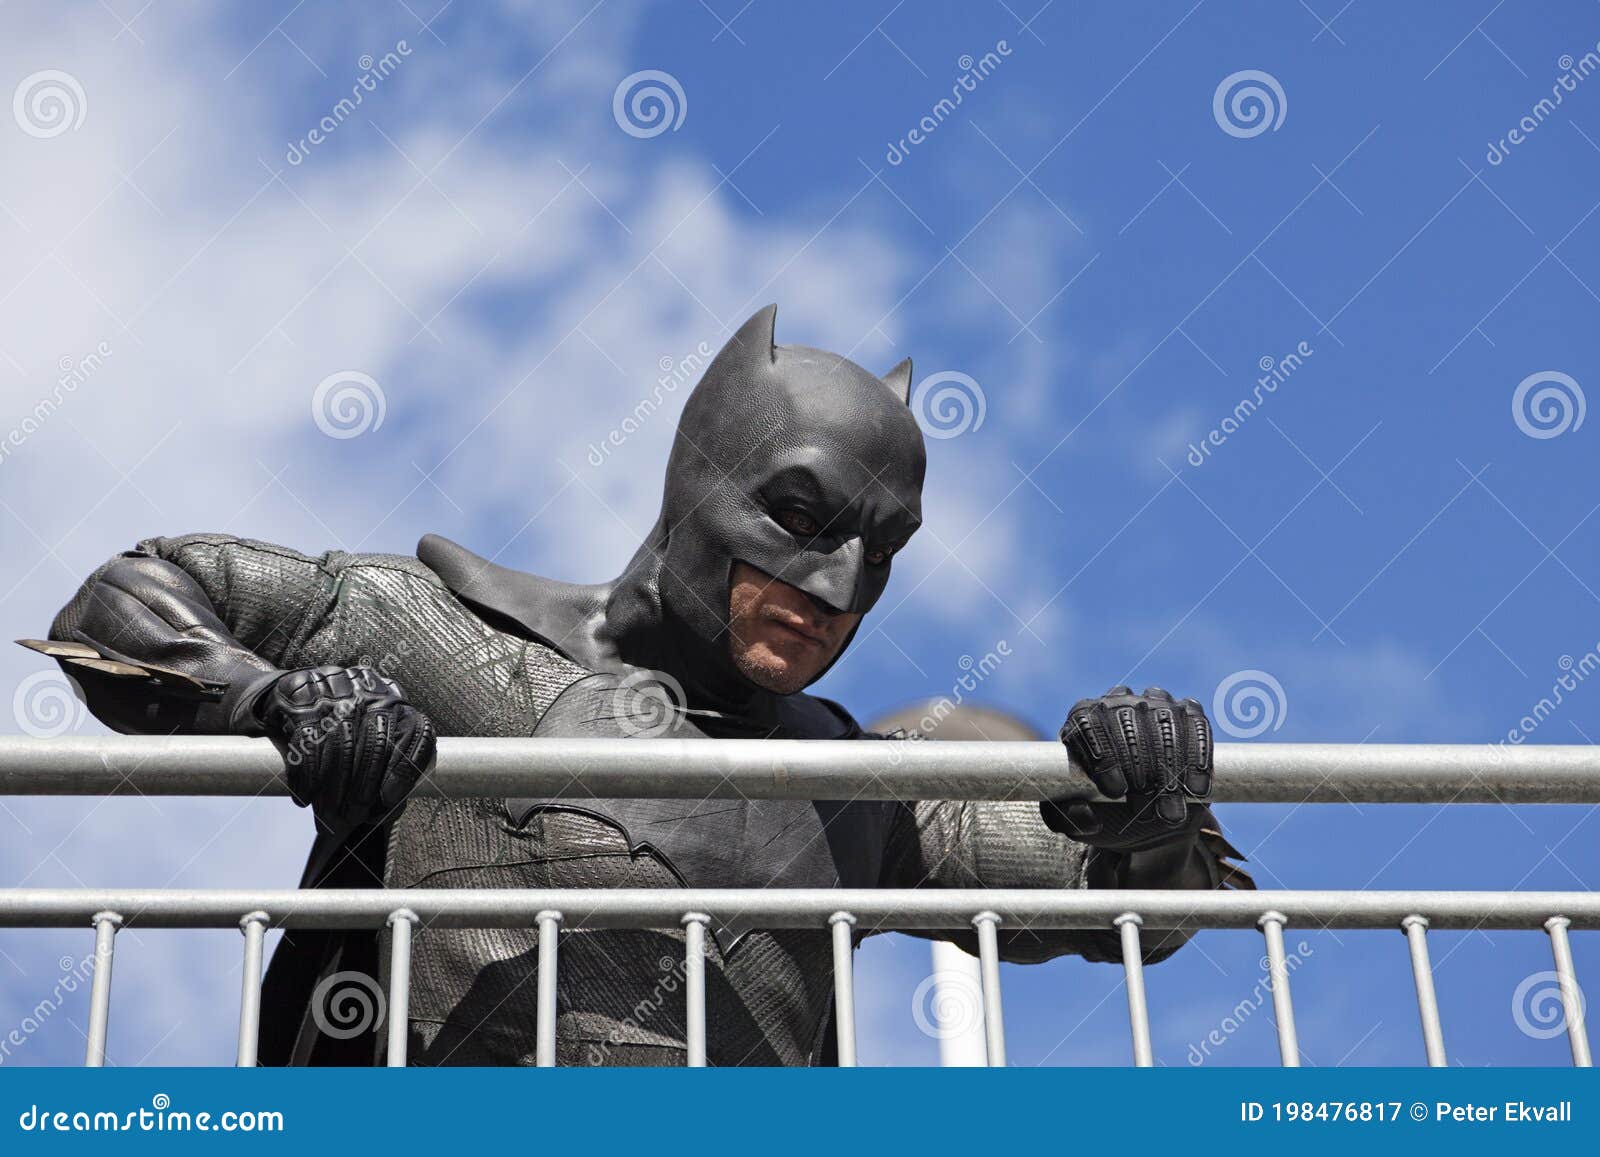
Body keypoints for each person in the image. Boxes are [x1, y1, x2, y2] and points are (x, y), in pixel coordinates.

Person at [30, 305, 1249, 1066]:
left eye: (877, 550)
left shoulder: (857, 792)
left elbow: (1125, 902)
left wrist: (1144, 805)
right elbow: (140, 595)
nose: (832, 582)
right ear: (697, 493)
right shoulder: (455, 636)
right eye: (798, 514)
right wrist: (269, 699)